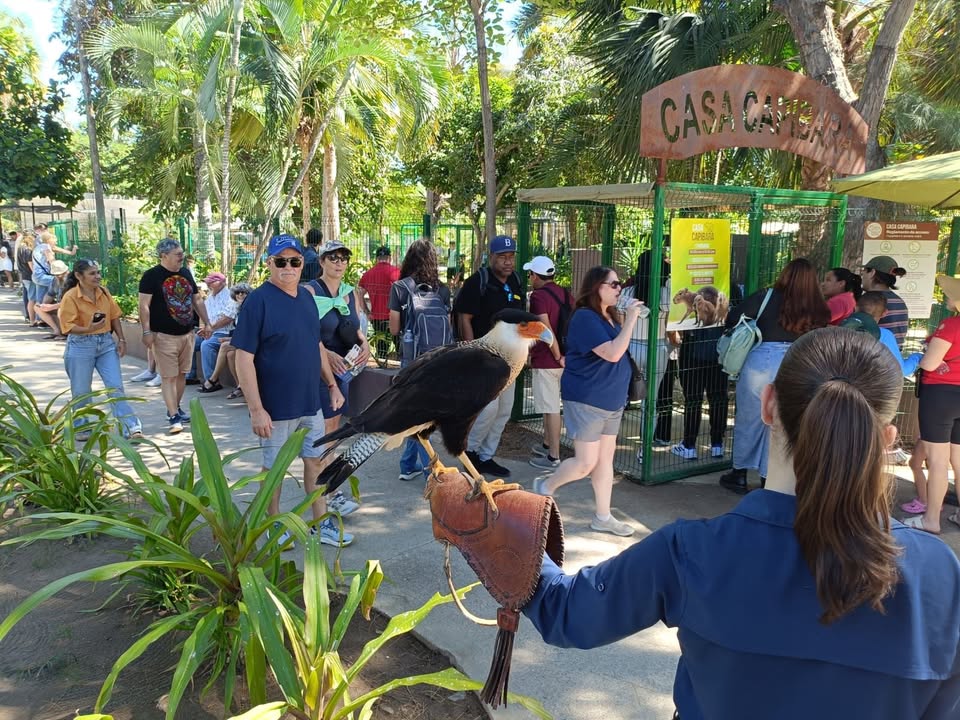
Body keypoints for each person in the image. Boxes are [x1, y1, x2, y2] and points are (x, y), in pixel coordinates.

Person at [522, 327, 960, 718]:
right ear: (886, 437)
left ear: (768, 404)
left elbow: (567, 613)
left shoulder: (692, 551)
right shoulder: (940, 573)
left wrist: (506, 522)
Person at [232, 234, 352, 548]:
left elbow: (316, 346)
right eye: (281, 261)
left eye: (294, 261)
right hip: (275, 407)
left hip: (310, 403)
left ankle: (320, 524)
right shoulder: (258, 301)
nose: (288, 267)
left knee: (315, 462)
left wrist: (331, 384)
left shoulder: (307, 299)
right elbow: (243, 358)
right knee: (275, 469)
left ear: (302, 264)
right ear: (269, 263)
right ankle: (272, 525)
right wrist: (256, 409)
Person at [532, 265, 643, 537]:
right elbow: (613, 353)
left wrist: (625, 319)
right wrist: (631, 320)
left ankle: (603, 517)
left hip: (612, 401)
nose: (619, 288)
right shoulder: (585, 317)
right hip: (587, 400)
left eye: (619, 283)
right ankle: (545, 487)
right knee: (585, 463)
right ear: (597, 287)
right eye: (613, 284)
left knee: (605, 461)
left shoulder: (608, 316)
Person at [718, 258, 830, 494]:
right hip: (798, 364)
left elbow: (733, 317)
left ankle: (739, 474)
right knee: (782, 424)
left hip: (761, 360)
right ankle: (768, 478)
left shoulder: (766, 297)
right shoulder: (819, 306)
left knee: (749, 419)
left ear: (785, 274)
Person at [304, 239, 368, 518]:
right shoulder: (310, 291)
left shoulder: (349, 293)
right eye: (333, 257)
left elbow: (357, 326)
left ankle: (330, 493)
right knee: (322, 437)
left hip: (344, 371)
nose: (339, 262)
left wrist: (365, 344)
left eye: (343, 257)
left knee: (332, 434)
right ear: (321, 261)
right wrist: (326, 354)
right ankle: (326, 498)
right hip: (318, 371)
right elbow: (307, 332)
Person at [453, 234, 525, 477]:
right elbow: (465, 318)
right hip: (485, 358)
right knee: (488, 409)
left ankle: (486, 456)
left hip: (511, 358)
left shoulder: (516, 280)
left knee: (505, 410)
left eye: (511, 256)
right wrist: (472, 351)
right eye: (502, 257)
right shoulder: (477, 282)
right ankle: (470, 454)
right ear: (491, 257)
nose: (508, 261)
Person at [388, 238, 454, 481]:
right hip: (438, 359)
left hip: (411, 359)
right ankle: (414, 465)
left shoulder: (400, 288)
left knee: (415, 413)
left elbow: (394, 328)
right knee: (425, 414)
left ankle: (423, 467)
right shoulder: (442, 290)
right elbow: (448, 327)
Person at [58, 259, 142, 440]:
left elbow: (114, 316)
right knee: (81, 391)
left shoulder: (104, 292)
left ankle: (130, 427)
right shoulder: (70, 296)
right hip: (80, 345)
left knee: (115, 386)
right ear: (79, 276)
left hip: (106, 344)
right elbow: (67, 326)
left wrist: (121, 339)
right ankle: (81, 427)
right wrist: (88, 329)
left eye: (98, 272)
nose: (97, 276)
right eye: (92, 273)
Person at [902, 274, 960, 535]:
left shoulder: (951, 325)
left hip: (941, 396)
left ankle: (931, 520)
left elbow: (929, 363)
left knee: (937, 461)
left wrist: (929, 355)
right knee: (958, 460)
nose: (947, 296)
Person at [138, 238, 213, 434]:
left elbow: (197, 299)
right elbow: (144, 306)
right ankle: (173, 416)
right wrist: (146, 331)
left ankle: (175, 408)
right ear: (164, 256)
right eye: (178, 254)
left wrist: (207, 323)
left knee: (181, 375)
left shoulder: (185, 273)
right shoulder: (151, 276)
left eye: (182, 253)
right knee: (168, 377)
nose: (182, 257)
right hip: (163, 336)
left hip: (187, 334)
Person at [672, 286, 729, 460]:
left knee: (693, 400)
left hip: (693, 353)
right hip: (717, 353)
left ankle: (689, 445)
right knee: (718, 398)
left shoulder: (688, 284)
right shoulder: (727, 288)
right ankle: (717, 444)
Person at [525, 255, 569, 471]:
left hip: (548, 359)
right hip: (564, 359)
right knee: (548, 405)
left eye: (530, 274)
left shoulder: (538, 297)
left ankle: (554, 457)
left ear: (535, 275)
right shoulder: (565, 293)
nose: (529, 278)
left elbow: (545, 329)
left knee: (551, 407)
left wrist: (557, 354)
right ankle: (546, 444)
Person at [202, 283, 252, 400]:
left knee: (224, 346)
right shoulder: (238, 308)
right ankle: (241, 387)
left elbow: (250, 332)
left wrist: (229, 339)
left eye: (244, 293)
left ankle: (213, 379)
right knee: (230, 354)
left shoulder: (251, 309)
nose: (240, 295)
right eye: (237, 293)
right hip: (242, 340)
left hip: (252, 342)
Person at [195, 272, 238, 393]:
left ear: (222, 283)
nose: (208, 284)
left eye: (212, 282)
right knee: (191, 342)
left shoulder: (230, 296)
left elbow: (228, 318)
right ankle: (190, 376)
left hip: (224, 332)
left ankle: (212, 382)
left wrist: (210, 328)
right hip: (210, 329)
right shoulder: (210, 297)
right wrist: (203, 328)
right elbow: (203, 315)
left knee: (207, 345)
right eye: (207, 282)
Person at [358, 246, 400, 362]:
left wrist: (367, 312)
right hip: (394, 316)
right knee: (400, 348)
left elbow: (360, 293)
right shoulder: (396, 272)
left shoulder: (368, 274)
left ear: (377, 259)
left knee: (381, 351)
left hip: (377, 317)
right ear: (389, 258)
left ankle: (380, 369)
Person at [860, 255, 909, 347]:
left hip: (873, 353)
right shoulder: (899, 301)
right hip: (894, 354)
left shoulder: (869, 300)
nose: (862, 277)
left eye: (864, 273)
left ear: (872, 273)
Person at [32, 232, 76, 323]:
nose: (56, 242)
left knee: (40, 299)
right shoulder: (46, 247)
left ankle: (39, 319)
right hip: (43, 275)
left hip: (36, 275)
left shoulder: (38, 247)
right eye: (55, 240)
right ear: (49, 240)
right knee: (59, 283)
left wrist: (72, 251)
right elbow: (51, 260)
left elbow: (59, 249)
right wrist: (57, 267)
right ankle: (44, 316)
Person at [34, 260, 71, 339]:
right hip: (60, 305)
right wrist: (43, 305)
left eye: (59, 274)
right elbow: (50, 294)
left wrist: (52, 307)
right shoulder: (55, 280)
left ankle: (66, 334)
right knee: (37, 307)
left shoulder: (72, 281)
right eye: (56, 275)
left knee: (61, 310)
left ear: (66, 271)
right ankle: (56, 331)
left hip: (71, 308)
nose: (57, 276)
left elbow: (70, 302)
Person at [15, 232, 35, 323]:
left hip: (24, 275)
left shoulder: (20, 248)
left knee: (26, 296)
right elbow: (30, 264)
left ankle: (28, 316)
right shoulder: (27, 249)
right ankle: (31, 318)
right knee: (32, 298)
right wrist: (35, 273)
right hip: (29, 275)